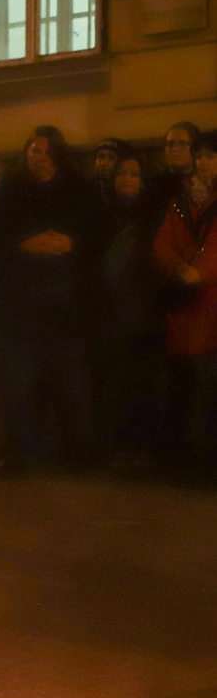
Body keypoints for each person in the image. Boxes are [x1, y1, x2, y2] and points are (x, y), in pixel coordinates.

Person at [0, 125, 101, 468]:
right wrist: (23, 246)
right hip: (20, 307)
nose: (41, 158)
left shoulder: (79, 191)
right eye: (35, 151)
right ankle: (18, 453)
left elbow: (99, 236)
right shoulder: (9, 191)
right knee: (19, 385)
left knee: (72, 386)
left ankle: (80, 454)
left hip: (66, 306)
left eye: (47, 151)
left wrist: (71, 243)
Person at [153, 130, 217, 469]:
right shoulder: (182, 198)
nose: (203, 162)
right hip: (185, 302)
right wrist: (179, 267)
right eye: (201, 155)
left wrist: (199, 272)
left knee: (207, 382)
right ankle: (183, 455)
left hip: (210, 303)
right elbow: (163, 241)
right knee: (183, 382)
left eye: (211, 156)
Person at [98, 150, 164, 462]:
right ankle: (117, 446)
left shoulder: (153, 218)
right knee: (113, 382)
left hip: (144, 313)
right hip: (108, 312)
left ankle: (143, 447)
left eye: (134, 174)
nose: (127, 179)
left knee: (143, 382)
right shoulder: (101, 216)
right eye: (122, 173)